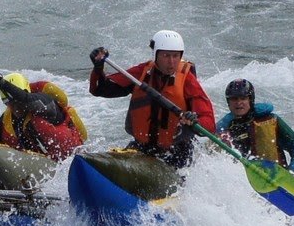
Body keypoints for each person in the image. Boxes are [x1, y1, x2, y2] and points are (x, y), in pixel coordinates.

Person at [86, 29, 215, 168]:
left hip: (176, 153)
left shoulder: (188, 81)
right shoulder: (142, 72)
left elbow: (210, 123)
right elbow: (100, 89)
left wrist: (195, 121)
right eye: (166, 56)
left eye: (175, 56)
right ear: (156, 54)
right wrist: (98, 69)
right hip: (143, 147)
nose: (171, 62)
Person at [0, 66, 87, 159]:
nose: (15, 108)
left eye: (17, 102)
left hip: (72, 157)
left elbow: (25, 98)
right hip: (40, 162)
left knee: (36, 121)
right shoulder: (5, 121)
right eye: (9, 103)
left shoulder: (46, 103)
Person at [217, 79, 294, 175]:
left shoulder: (270, 120)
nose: (239, 102)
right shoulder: (224, 130)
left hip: (275, 176)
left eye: (243, 98)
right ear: (228, 102)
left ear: (250, 100)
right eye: (234, 99)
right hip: (240, 181)